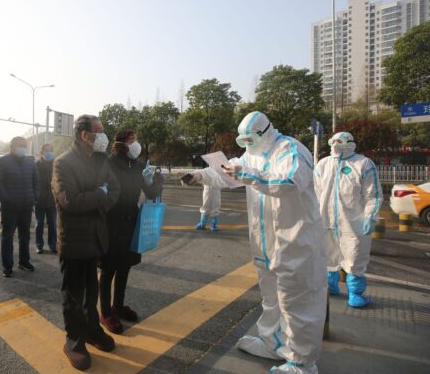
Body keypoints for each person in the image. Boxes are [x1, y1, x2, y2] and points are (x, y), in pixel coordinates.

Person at [185, 111, 326, 374]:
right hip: (264, 243)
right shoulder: (252, 153)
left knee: (297, 302)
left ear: (265, 131)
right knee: (271, 298)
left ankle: (302, 362)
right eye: (244, 141)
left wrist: (246, 174)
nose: (247, 145)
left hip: (294, 241)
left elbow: (289, 182)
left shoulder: (290, 149)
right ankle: (272, 342)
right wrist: (199, 175)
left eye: (250, 139)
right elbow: (227, 173)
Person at [52, 115, 121, 370]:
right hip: (74, 239)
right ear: (84, 134)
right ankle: (74, 341)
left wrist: (97, 197)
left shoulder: (100, 161)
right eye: (99, 131)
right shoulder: (63, 163)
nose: (103, 135)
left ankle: (92, 330)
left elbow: (113, 191)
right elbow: (70, 201)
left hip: (95, 236)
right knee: (73, 294)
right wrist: (99, 195)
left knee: (91, 291)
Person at [99, 129, 162, 334]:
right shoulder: (107, 163)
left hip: (132, 222)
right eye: (132, 140)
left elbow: (151, 194)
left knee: (125, 266)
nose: (137, 144)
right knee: (108, 269)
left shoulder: (138, 165)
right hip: (110, 222)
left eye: (136, 140)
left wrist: (153, 182)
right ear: (121, 143)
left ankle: (118, 306)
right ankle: (106, 312)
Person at [314, 132, 382, 308]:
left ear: (351, 143)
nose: (336, 144)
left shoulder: (363, 164)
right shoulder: (323, 165)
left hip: (353, 224)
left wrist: (370, 216)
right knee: (327, 256)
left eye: (340, 141)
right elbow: (314, 194)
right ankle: (330, 286)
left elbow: (373, 195)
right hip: (325, 221)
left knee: (355, 257)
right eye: (334, 140)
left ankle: (355, 294)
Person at [0, 137, 39, 277]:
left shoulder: (30, 162)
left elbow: (36, 181)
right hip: (10, 208)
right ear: (12, 147)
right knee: (7, 237)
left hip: (26, 206)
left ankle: (24, 261)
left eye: (24, 145)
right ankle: (7, 266)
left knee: (25, 236)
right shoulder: (3, 161)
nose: (23, 148)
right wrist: (7, 200)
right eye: (20, 145)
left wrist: (34, 198)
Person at [35, 144, 57, 254]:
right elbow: (33, 181)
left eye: (50, 150)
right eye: (46, 150)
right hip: (40, 200)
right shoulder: (37, 164)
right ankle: (39, 245)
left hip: (53, 200)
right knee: (39, 224)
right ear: (42, 152)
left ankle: (53, 245)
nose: (48, 152)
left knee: (53, 224)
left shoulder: (56, 163)